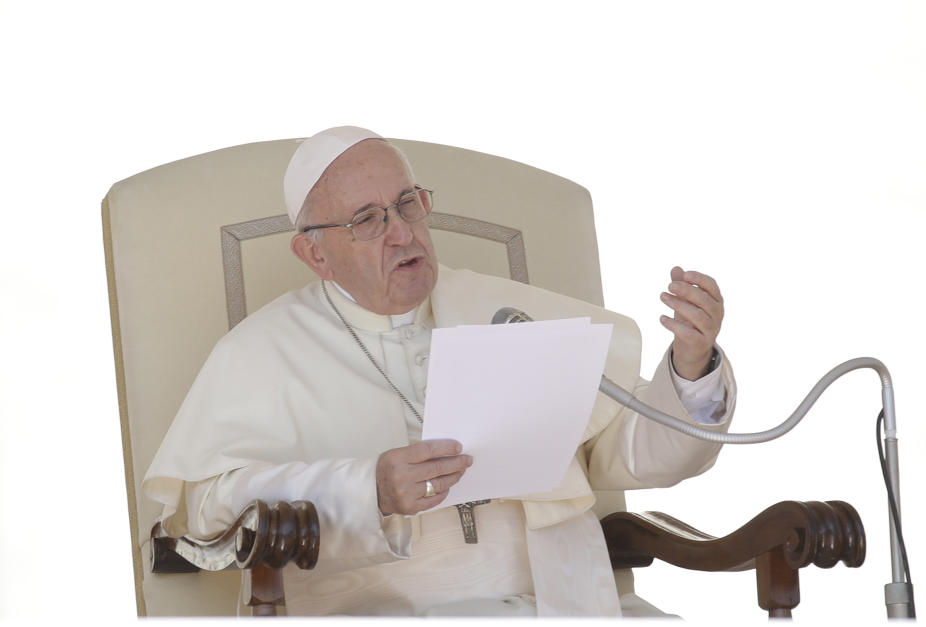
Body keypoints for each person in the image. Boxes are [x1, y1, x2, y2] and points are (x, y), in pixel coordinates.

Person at [144, 126, 737, 617]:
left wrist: (690, 367)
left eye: (407, 204)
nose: (403, 232)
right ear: (315, 253)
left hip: (562, 604)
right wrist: (366, 488)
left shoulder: (510, 313)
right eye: (368, 219)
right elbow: (209, 511)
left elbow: (639, 453)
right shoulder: (260, 352)